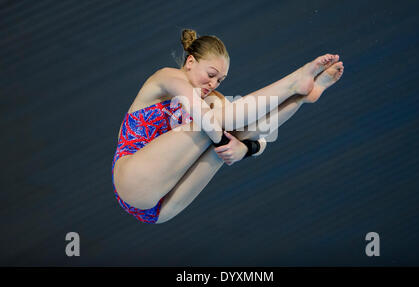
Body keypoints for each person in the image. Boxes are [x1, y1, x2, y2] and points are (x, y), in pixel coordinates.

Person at [112, 29, 344, 224]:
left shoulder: (213, 98)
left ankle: (300, 98)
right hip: (133, 179)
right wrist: (225, 140)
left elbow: (261, 135)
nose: (213, 84)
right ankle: (293, 82)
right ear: (191, 62)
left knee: (230, 131)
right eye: (211, 74)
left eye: (220, 80)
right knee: (216, 122)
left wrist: (244, 150)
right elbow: (200, 115)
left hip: (162, 210)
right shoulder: (167, 77)